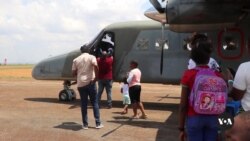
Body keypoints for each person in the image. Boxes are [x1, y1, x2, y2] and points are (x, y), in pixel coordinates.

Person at [178, 36, 223, 141]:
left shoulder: (188, 74)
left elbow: (183, 105)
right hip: (213, 119)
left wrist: (181, 128)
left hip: (194, 118)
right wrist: (220, 129)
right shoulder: (218, 75)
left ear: (192, 57)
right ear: (209, 57)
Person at [72, 47, 103, 129]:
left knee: (83, 104)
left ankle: (85, 124)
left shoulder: (76, 60)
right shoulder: (92, 57)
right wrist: (96, 77)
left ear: (81, 51)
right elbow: (95, 66)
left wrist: (79, 75)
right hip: (91, 83)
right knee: (94, 103)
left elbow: (73, 73)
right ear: (88, 51)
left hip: (81, 84)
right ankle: (98, 123)